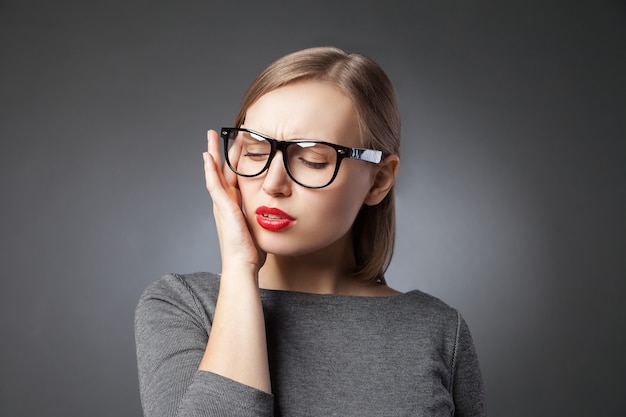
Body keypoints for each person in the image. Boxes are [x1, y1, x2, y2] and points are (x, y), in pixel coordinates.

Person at [135, 46, 487, 417]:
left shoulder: (439, 330)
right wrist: (240, 269)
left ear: (378, 180)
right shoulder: (181, 305)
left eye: (312, 160)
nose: (273, 183)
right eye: (255, 152)